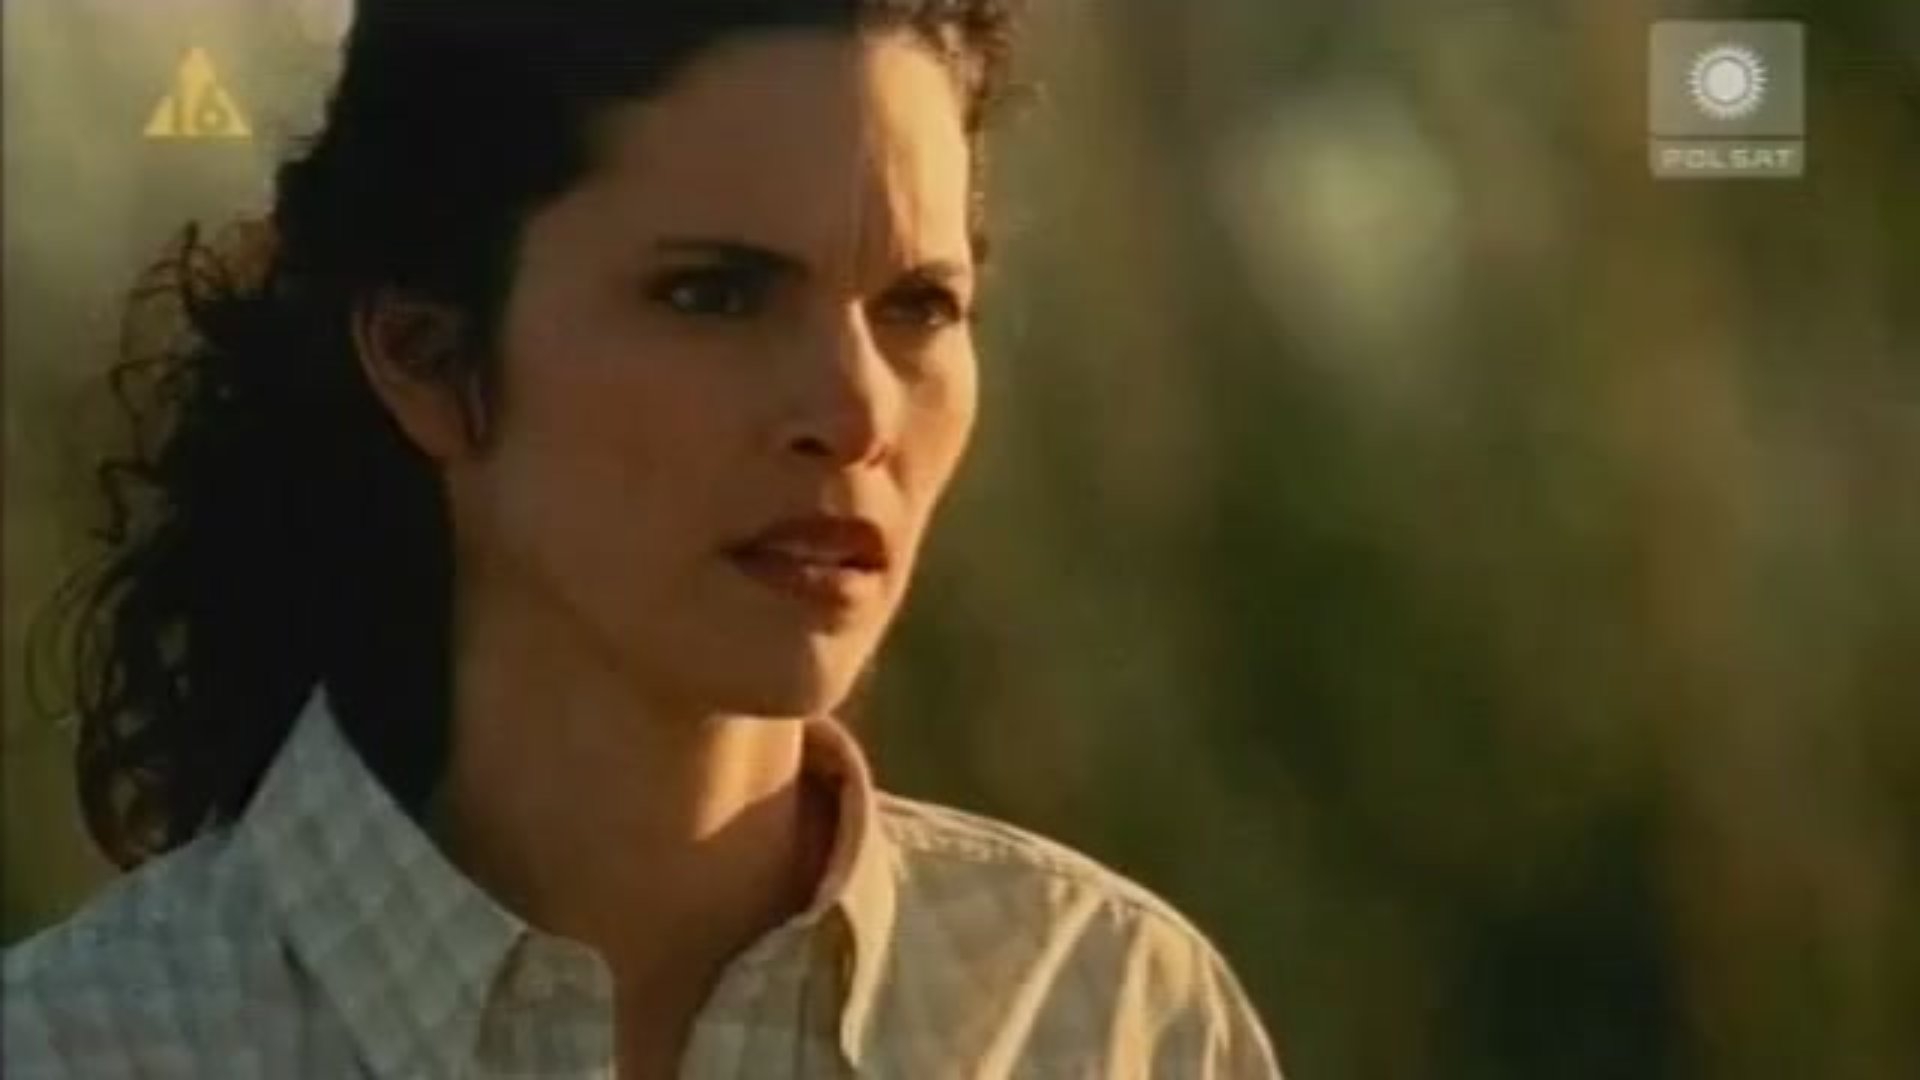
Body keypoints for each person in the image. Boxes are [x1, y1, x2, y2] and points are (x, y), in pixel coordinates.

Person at [3, 1, 1282, 1076]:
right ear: (428, 357)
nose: (856, 415)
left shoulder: (1102, 1015)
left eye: (919, 307)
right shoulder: (87, 1048)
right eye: (714, 294)